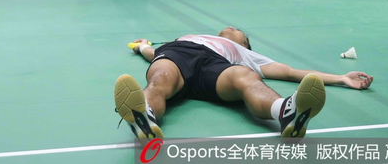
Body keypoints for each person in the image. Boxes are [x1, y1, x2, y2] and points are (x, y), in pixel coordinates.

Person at [115, 27, 373, 141]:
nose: (231, 28)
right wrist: (142, 46)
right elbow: (152, 53)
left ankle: (286, 112)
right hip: (178, 53)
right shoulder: (192, 36)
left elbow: (291, 72)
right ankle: (144, 117)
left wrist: (341, 78)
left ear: (245, 44)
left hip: (217, 67)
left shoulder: (246, 55)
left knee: (246, 77)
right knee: (160, 78)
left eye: (239, 31)